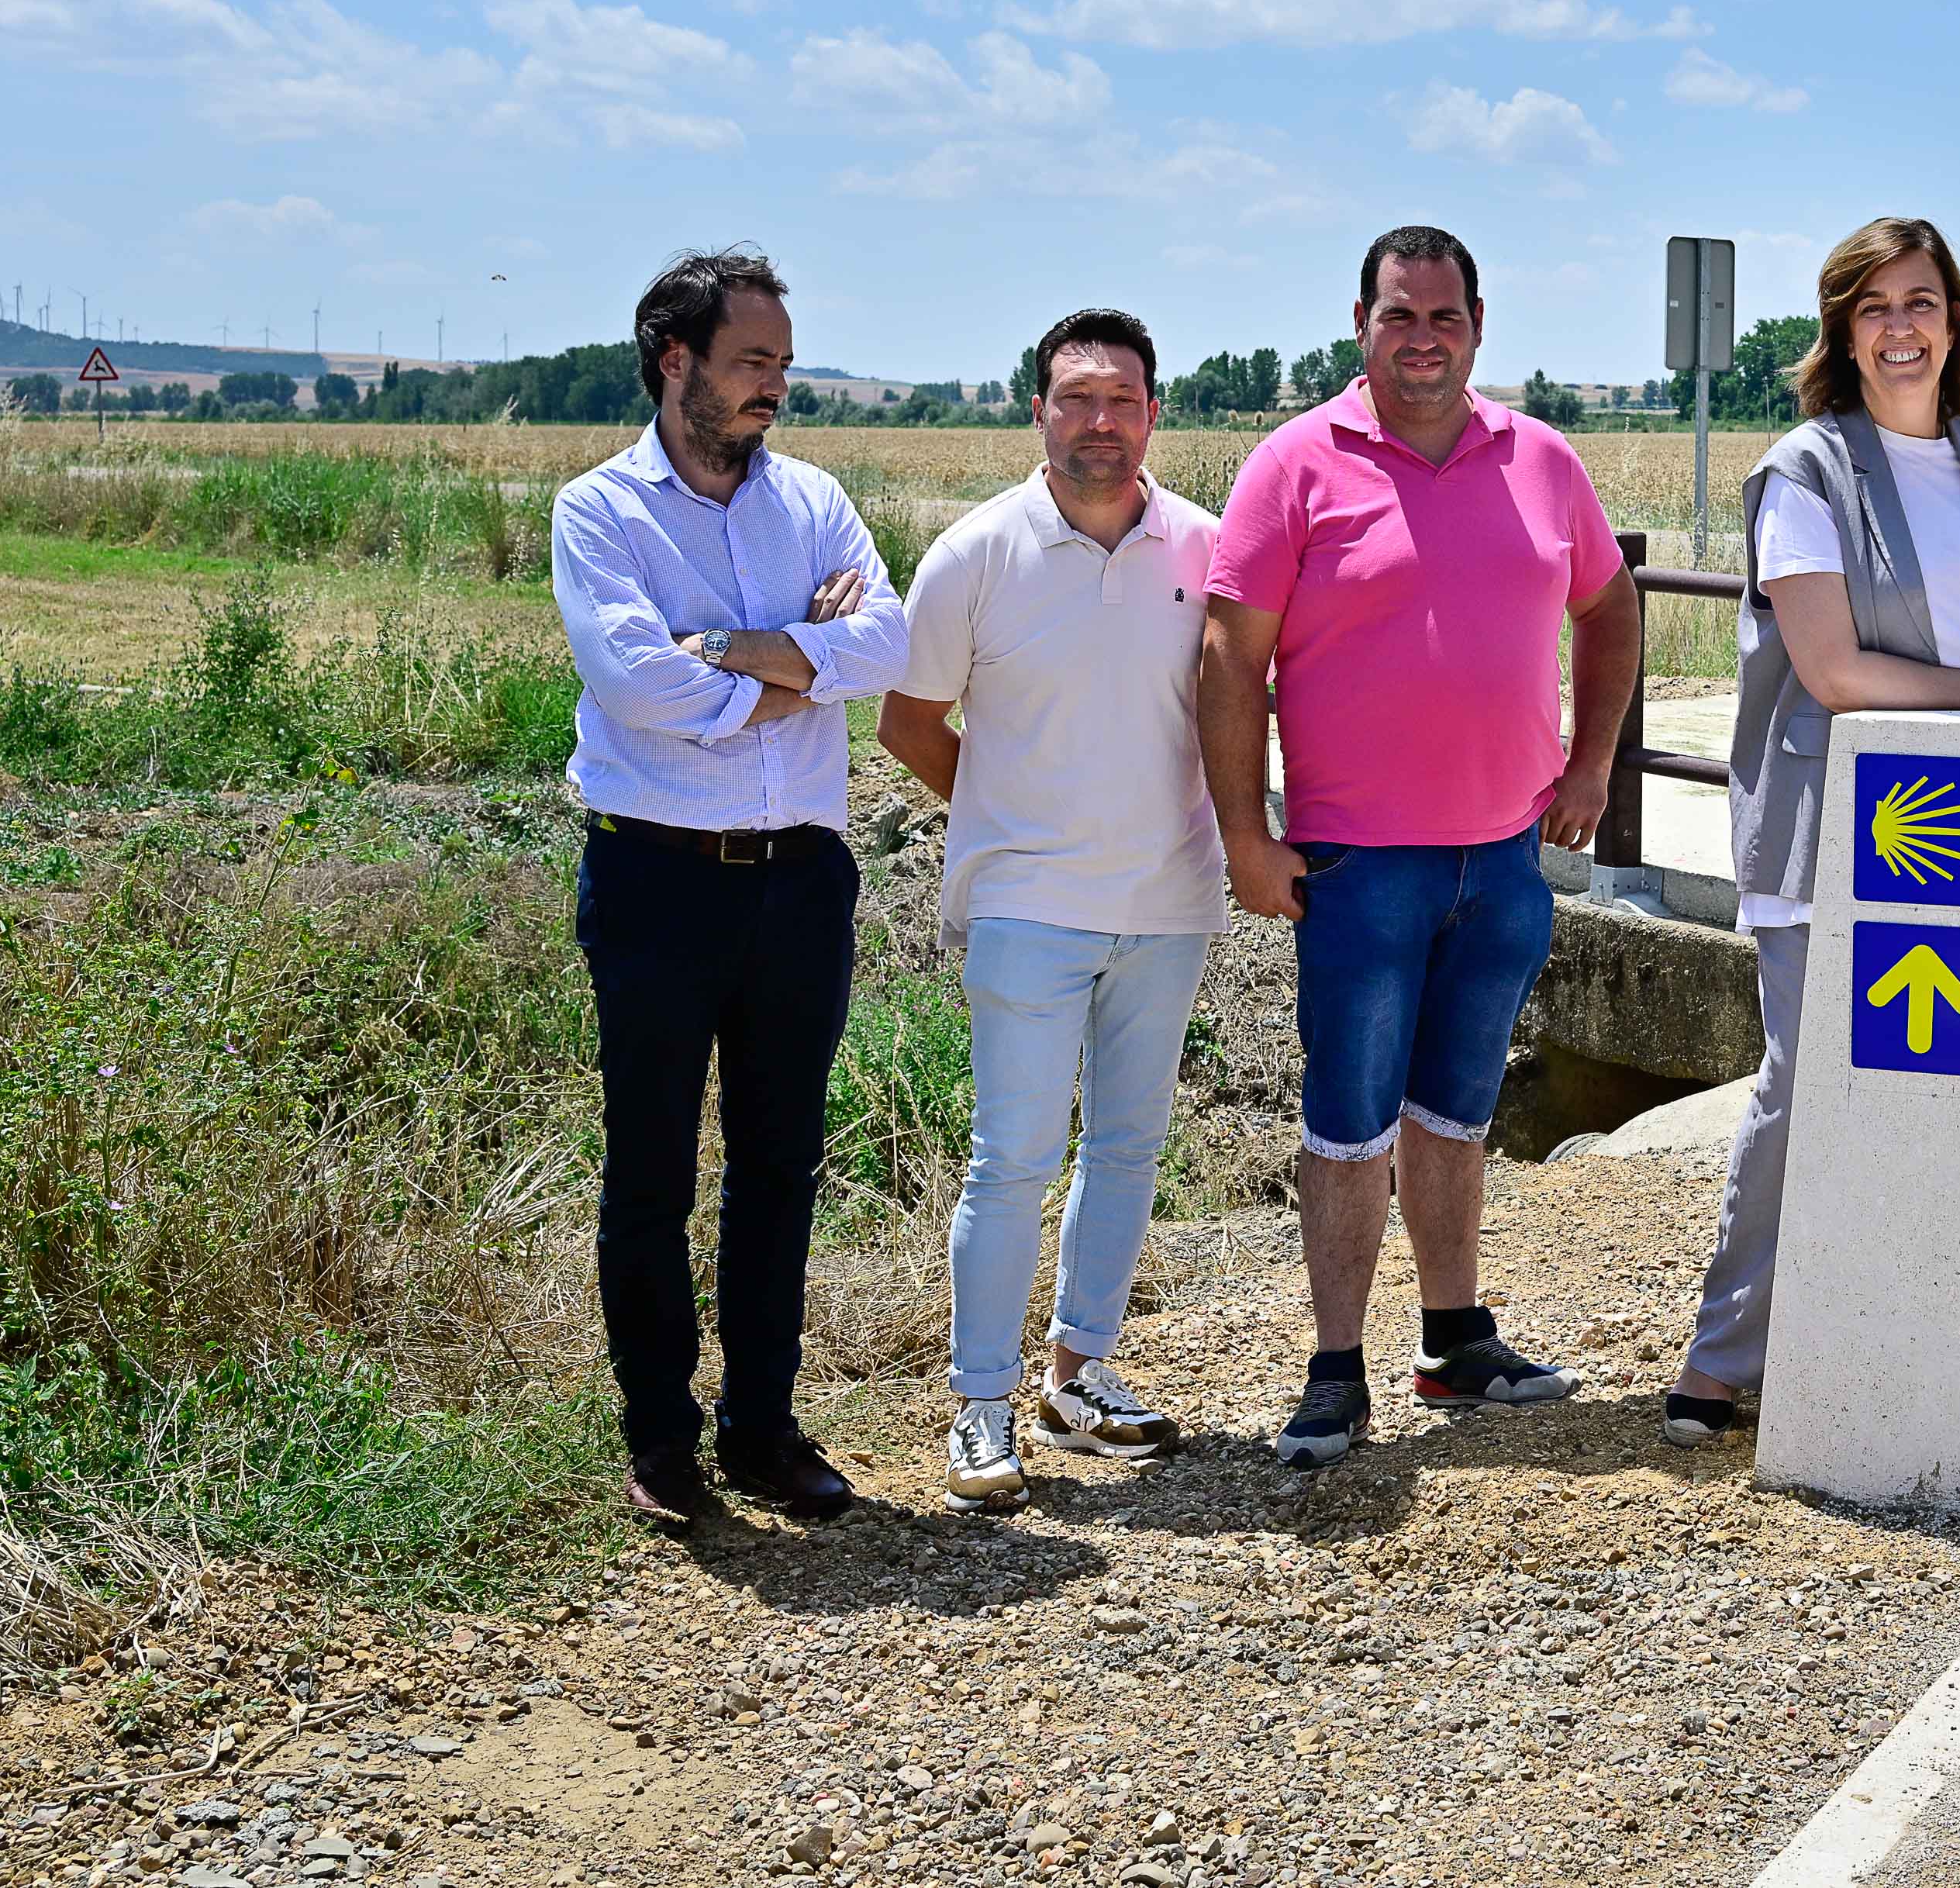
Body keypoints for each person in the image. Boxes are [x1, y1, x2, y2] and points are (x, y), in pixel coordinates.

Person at [1198, 226, 1644, 1469]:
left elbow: (1609, 607)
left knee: (1455, 1111)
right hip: (1358, 863)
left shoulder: (1542, 461)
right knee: (1348, 1121)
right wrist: (1246, 831)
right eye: (1401, 315)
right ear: (1362, 322)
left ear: (1479, 323)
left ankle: (1454, 1338)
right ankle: (1333, 1371)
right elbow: (1232, 656)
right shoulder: (1295, 464)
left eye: (1444, 316)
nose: (1424, 338)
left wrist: (1595, 763)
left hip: (1502, 860)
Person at [1667, 218, 1960, 1446]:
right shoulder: (1808, 471)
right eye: (1875, 307)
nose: (1904, 327)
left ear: (1959, 319)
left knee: (1958, 1078)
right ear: (1844, 331)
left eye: (1924, 300)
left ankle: (1925, 1320)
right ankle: (1726, 1350)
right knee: (1811, 1083)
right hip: (1844, 825)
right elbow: (1833, 670)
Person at [550, 249, 909, 1526]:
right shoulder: (600, 513)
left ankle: (764, 1427)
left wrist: (742, 656)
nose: (776, 386)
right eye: (754, 361)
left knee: (780, 1164)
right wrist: (802, 668)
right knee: (650, 1167)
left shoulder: (811, 500)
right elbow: (640, 681)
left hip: (800, 882)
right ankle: (661, 1439)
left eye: (784, 363)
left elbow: (892, 641)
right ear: (677, 362)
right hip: (656, 879)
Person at [881, 308, 1225, 1510]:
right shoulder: (973, 556)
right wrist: (1009, 814)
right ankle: (980, 1407)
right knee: (1013, 1157)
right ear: (1037, 411)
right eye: (1074, 398)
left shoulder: (1205, 549)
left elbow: (1239, 707)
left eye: (1120, 400)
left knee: (1128, 1147)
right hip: (1027, 902)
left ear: (1153, 413)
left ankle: (1078, 1378)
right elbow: (910, 721)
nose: (1098, 422)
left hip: (1170, 899)